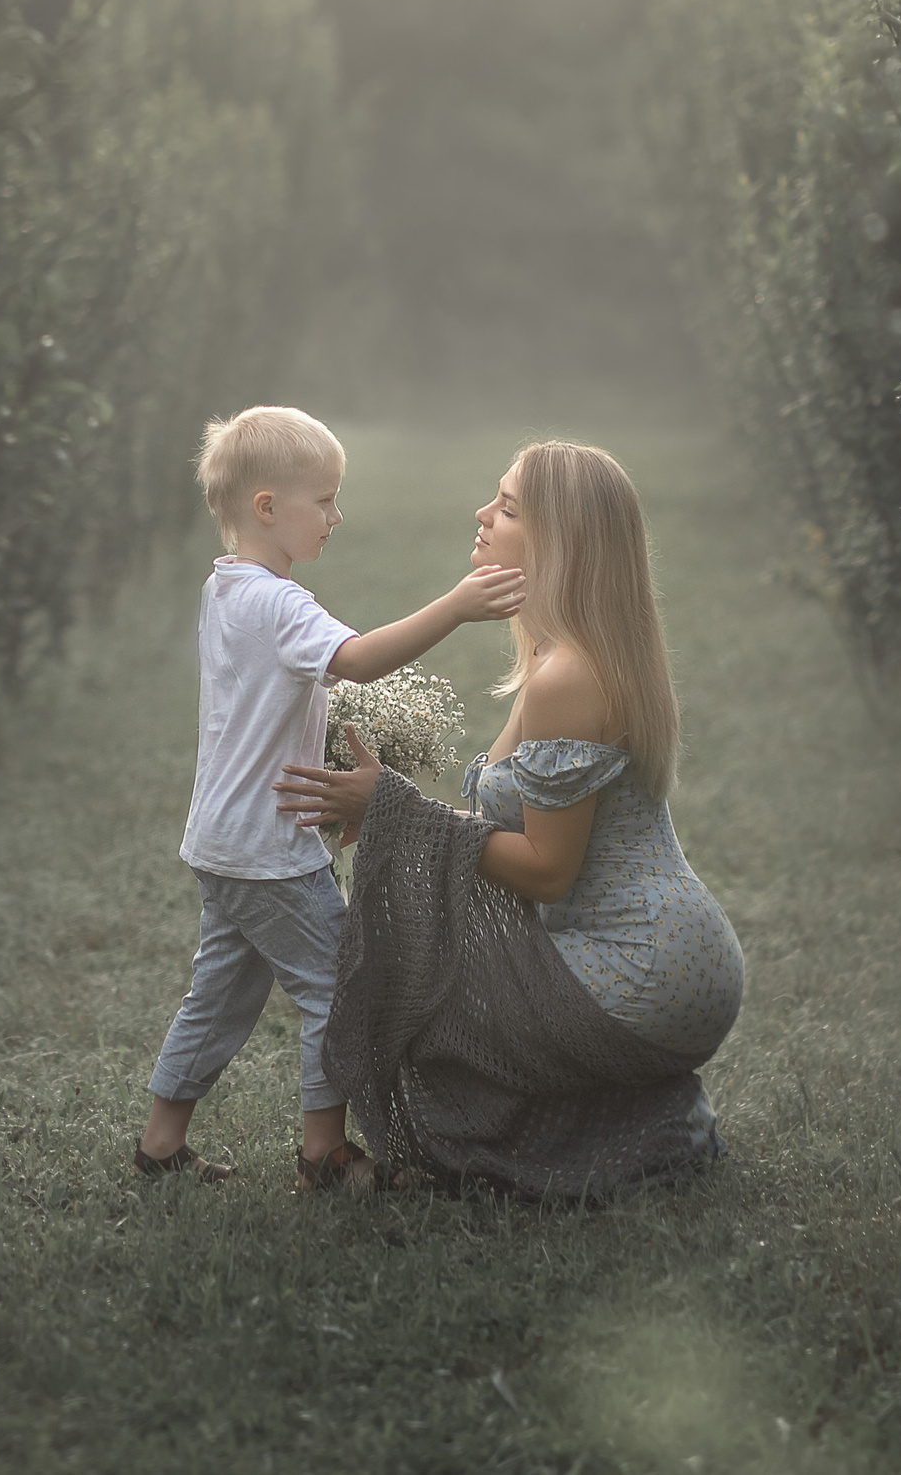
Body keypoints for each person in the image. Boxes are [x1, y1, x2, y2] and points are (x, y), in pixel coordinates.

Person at [275, 440, 741, 1196]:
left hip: (641, 969)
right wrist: (387, 803)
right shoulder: (573, 654)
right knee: (430, 975)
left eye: (509, 507)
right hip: (672, 956)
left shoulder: (569, 676)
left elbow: (548, 872)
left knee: (415, 999)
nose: (483, 515)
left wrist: (392, 808)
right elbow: (497, 829)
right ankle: (655, 1126)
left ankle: (553, 1157)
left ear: (560, 541)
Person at [134, 406, 525, 1193]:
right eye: (325, 499)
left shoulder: (227, 591)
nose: (338, 516)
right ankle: (323, 1155)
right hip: (270, 851)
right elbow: (357, 659)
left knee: (218, 992)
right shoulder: (280, 605)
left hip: (222, 840)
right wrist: (454, 606)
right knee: (338, 985)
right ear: (268, 506)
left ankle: (160, 1143)